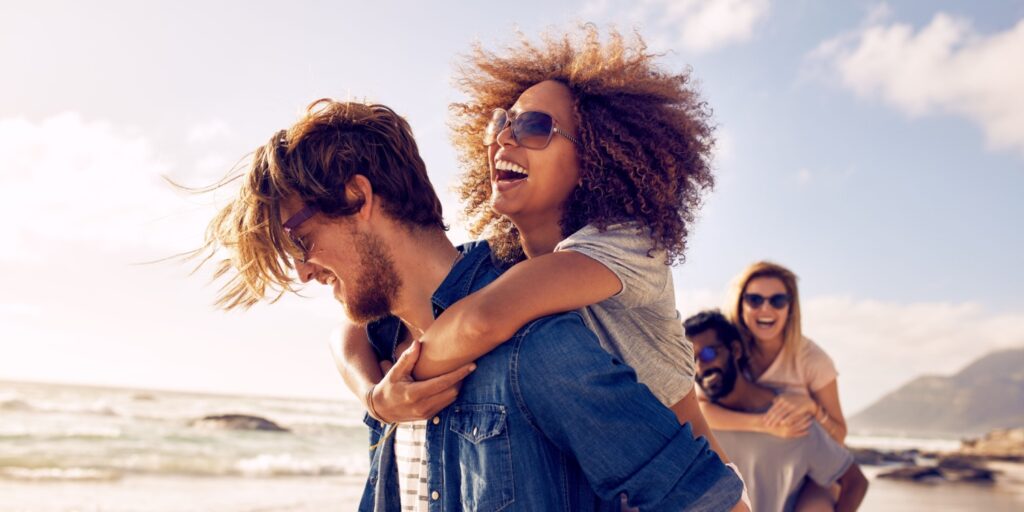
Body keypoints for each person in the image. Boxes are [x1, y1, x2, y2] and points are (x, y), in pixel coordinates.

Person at [197, 98, 744, 511]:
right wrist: (375, 397)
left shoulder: (537, 346)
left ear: (359, 198)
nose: (303, 270)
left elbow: (707, 503)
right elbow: (346, 338)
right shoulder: (388, 351)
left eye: (300, 241)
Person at [334, 26, 729, 467]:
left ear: (591, 161)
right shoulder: (504, 264)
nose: (504, 138)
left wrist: (397, 394)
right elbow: (352, 332)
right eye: (501, 122)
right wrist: (374, 396)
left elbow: (482, 320)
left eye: (534, 126)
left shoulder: (631, 246)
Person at [700, 261, 849, 510]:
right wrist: (765, 425)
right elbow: (700, 410)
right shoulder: (728, 351)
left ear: (790, 307)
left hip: (805, 474)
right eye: (755, 299)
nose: (766, 308)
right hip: (747, 463)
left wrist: (812, 408)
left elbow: (840, 436)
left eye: (777, 300)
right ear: (741, 304)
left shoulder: (813, 360)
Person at [685, 310, 868, 512]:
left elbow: (855, 481)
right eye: (691, 360)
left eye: (709, 353)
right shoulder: (695, 423)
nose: (700, 367)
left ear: (735, 350)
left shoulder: (790, 418)